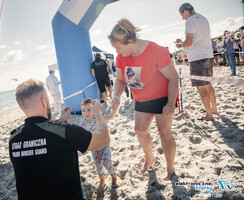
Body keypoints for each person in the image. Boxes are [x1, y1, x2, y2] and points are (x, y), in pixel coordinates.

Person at [9, 79, 109, 200]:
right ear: (44, 100)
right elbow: (103, 139)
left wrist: (61, 120)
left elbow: (41, 141)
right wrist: (98, 112)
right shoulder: (66, 132)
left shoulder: (13, 139)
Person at [108, 18, 178, 180]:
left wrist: (170, 103)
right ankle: (150, 157)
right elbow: (120, 80)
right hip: (141, 99)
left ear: (130, 41)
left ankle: (170, 169)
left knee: (164, 133)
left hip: (162, 97)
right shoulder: (121, 57)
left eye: (119, 47)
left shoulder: (155, 51)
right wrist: (116, 95)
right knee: (139, 131)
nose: (117, 52)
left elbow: (173, 78)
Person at [176, 3, 218, 121]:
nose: (182, 18)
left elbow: (189, 42)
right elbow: (197, 38)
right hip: (208, 55)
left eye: (182, 15)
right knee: (208, 84)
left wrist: (181, 44)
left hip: (197, 57)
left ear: (186, 10)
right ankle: (214, 109)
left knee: (201, 87)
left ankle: (209, 115)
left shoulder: (190, 20)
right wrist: (184, 43)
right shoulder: (204, 18)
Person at [79, 98, 117, 189]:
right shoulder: (83, 122)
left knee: (107, 163)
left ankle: (114, 177)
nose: (86, 113)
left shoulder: (99, 117)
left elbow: (111, 116)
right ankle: (102, 180)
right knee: (98, 165)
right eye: (83, 111)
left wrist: (114, 109)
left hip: (104, 146)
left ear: (94, 109)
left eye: (88, 110)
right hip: (94, 148)